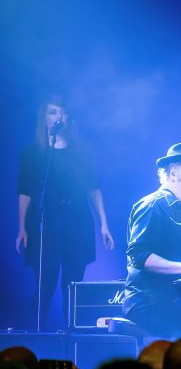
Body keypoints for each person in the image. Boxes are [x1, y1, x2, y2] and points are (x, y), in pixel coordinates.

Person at [16, 96, 115, 331]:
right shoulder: (33, 153)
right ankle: (36, 335)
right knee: (45, 283)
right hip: (46, 223)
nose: (58, 117)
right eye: (53, 112)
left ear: (68, 118)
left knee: (72, 286)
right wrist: (22, 227)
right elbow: (25, 192)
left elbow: (93, 188)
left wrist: (103, 223)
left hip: (76, 221)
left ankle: (72, 335)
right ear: (44, 117)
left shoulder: (82, 151)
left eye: (63, 112)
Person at [122, 143, 181, 336]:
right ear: (173, 173)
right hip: (149, 302)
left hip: (172, 300)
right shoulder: (153, 205)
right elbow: (139, 256)